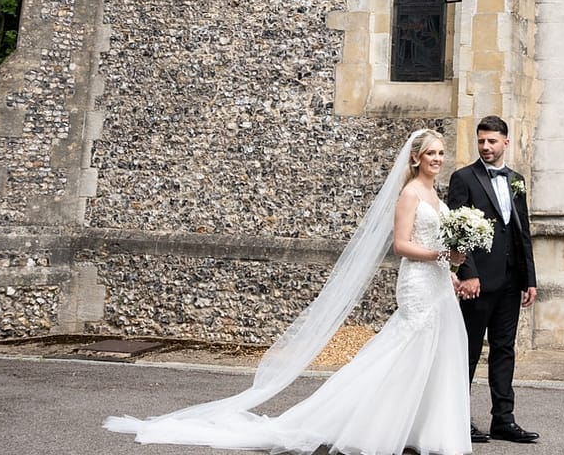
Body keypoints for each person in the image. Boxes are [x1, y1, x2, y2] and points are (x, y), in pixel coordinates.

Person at [105, 128, 473, 455]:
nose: (437, 159)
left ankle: (422, 427)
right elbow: (401, 246)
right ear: (416, 157)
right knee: (404, 352)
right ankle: (363, 420)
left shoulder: (434, 192)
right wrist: (442, 254)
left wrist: (450, 270)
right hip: (417, 284)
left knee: (436, 351)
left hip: (437, 281)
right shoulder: (410, 193)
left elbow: (433, 242)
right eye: (431, 154)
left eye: (441, 153)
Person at [447, 116, 537, 445]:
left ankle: (503, 420)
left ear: (505, 143)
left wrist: (530, 279)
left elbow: (522, 232)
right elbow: (455, 232)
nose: (486, 147)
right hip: (478, 282)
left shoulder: (517, 180)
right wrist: (467, 274)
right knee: (467, 351)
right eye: (481, 141)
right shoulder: (463, 178)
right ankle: (457, 418)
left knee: (504, 350)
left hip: (512, 283)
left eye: (492, 142)